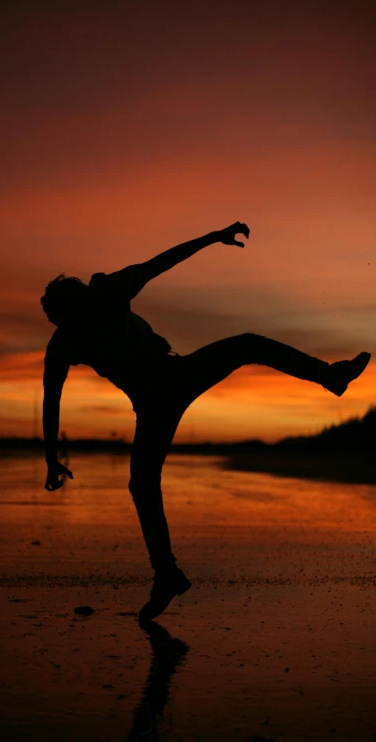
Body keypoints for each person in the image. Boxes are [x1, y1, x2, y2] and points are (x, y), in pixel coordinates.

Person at [40, 223, 371, 620]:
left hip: (173, 379)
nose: (67, 326)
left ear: (79, 303)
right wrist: (50, 457)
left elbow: (162, 261)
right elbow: (51, 399)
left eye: (66, 316)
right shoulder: (64, 340)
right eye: (60, 322)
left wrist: (215, 237)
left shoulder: (107, 294)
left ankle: (330, 376)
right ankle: (167, 575)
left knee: (248, 343)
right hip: (154, 403)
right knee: (142, 485)